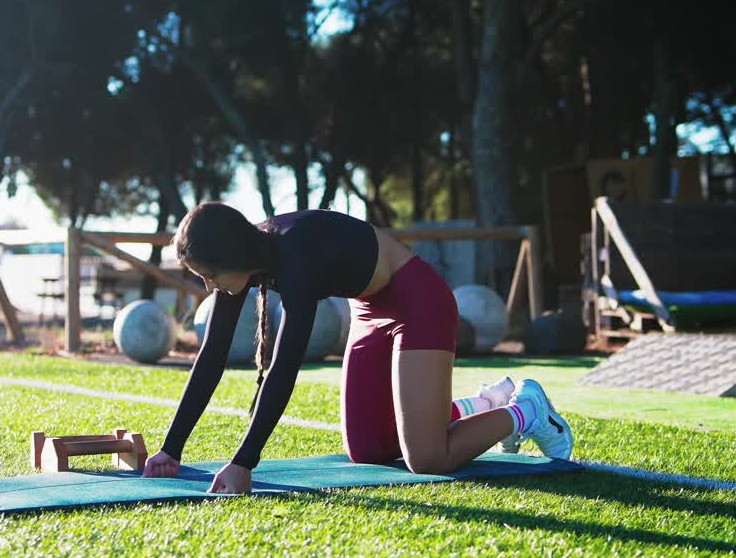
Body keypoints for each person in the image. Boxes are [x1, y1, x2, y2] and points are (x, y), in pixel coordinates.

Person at [142, 203, 574, 494]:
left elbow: (284, 367)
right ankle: (485, 401)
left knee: (426, 458)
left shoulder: (296, 259)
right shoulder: (241, 266)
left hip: (417, 301)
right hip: (369, 311)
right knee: (369, 450)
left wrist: (244, 463)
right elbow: (210, 359)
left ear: (230, 256)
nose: (206, 285)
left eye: (208, 273)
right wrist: (171, 448)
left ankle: (526, 411)